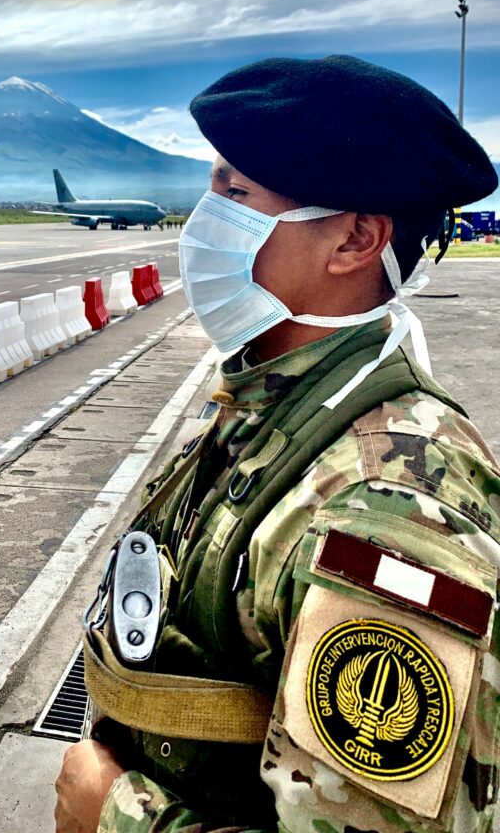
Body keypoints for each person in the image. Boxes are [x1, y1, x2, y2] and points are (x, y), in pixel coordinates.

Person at [54, 55, 500, 833]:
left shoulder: (385, 516)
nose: (203, 219)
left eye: (236, 193)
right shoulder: (273, 395)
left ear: (355, 240)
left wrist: (116, 816)